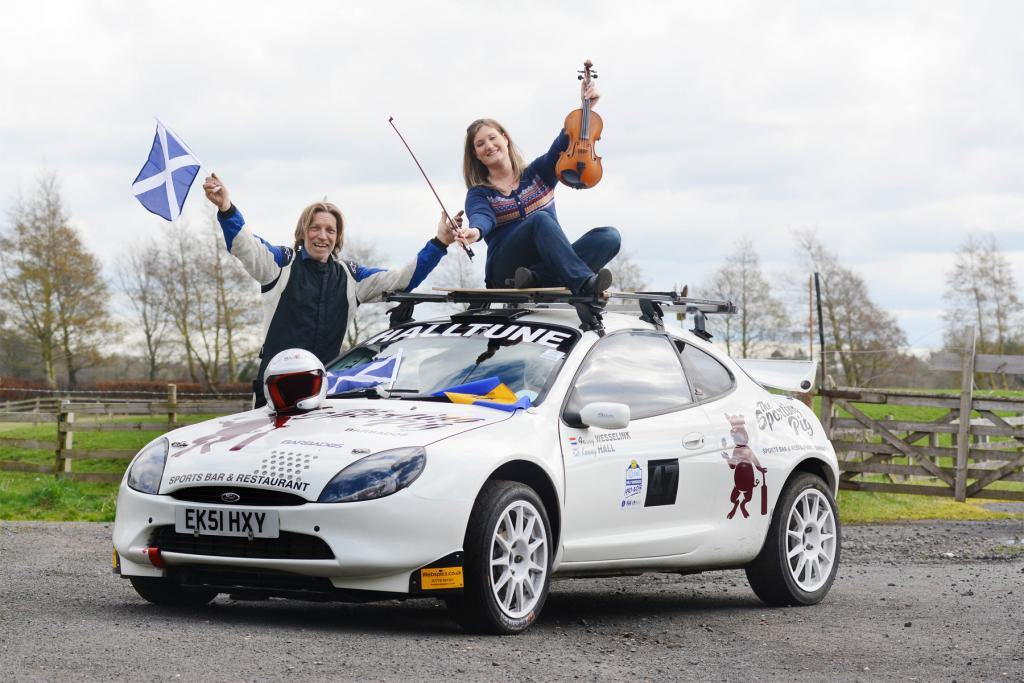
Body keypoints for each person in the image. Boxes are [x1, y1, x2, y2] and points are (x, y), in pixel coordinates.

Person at [202, 173, 459, 407]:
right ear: (303, 232)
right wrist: (226, 208)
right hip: (273, 395)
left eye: (330, 230)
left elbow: (401, 280)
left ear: (337, 237)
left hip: (325, 394)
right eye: (315, 228)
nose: (322, 236)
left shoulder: (351, 277)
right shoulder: (280, 264)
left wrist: (440, 243)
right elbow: (244, 244)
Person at [454, 83, 621, 295]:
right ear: (476, 155)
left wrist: (585, 108)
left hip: (547, 264)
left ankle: (538, 278)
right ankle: (584, 284)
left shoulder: (538, 173)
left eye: (492, 138)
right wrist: (475, 231)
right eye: (480, 144)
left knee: (609, 237)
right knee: (540, 219)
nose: (488, 145)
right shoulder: (479, 193)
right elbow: (482, 217)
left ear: (505, 138)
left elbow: (564, 142)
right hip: (505, 271)